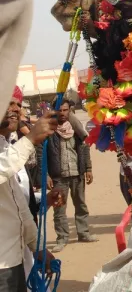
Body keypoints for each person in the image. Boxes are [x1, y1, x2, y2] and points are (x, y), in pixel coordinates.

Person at [1, 97, 61, 292]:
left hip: (14, 261)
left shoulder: (6, 147)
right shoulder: (16, 149)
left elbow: (19, 207)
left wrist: (38, 248)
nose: (16, 109)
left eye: (18, 104)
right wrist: (30, 140)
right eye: (8, 102)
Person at [40, 100, 98, 253]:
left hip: (77, 173)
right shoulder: (48, 131)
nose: (62, 113)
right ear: (54, 111)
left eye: (65, 110)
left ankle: (83, 233)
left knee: (81, 205)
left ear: (69, 110)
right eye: (59, 110)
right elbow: (42, 155)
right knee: (59, 209)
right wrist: (45, 175)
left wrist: (88, 168)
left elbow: (84, 149)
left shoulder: (76, 129)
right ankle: (62, 238)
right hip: (58, 176)